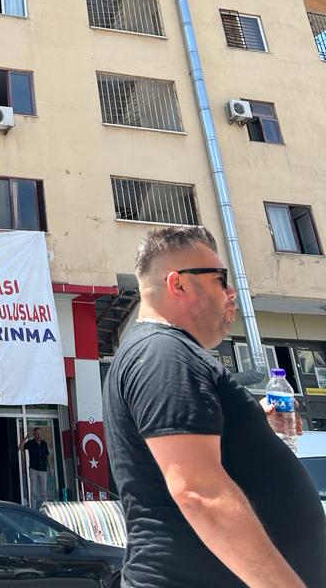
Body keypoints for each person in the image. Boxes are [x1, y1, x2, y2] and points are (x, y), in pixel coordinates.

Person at [103, 225, 326, 588]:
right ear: (178, 284)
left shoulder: (171, 355)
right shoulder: (164, 354)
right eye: (221, 280)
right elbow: (198, 492)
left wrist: (255, 428)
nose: (232, 293)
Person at [19, 426, 50, 510]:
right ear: (34, 435)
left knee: (44, 491)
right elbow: (20, 448)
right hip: (33, 470)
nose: (39, 435)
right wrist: (25, 438)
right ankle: (33, 509)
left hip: (43, 470)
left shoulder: (44, 443)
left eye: (40, 434)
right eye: (37, 434)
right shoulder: (30, 443)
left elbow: (47, 456)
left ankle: (45, 509)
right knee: (34, 492)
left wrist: (50, 468)